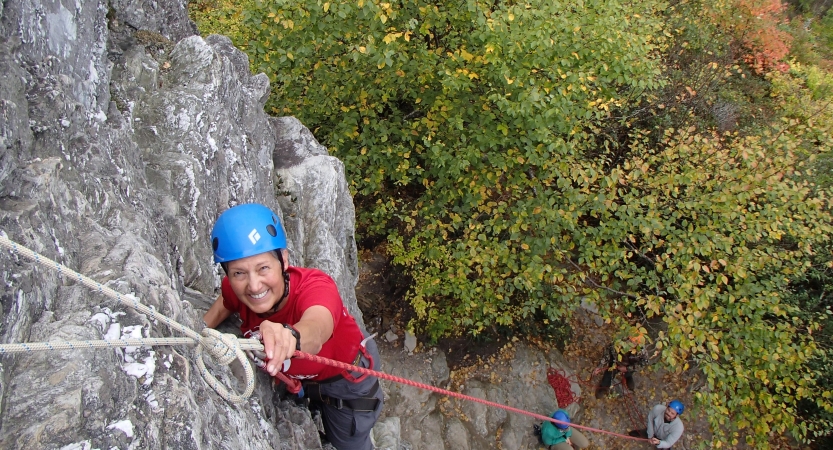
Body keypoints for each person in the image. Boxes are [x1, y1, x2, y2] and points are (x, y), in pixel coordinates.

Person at [203, 203, 383, 450]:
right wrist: (199, 333)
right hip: (303, 377)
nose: (254, 285)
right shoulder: (236, 290)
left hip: (346, 379)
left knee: (350, 444)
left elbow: (317, 327)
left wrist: (290, 336)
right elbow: (224, 304)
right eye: (239, 273)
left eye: (263, 268)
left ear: (283, 260)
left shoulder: (316, 288)